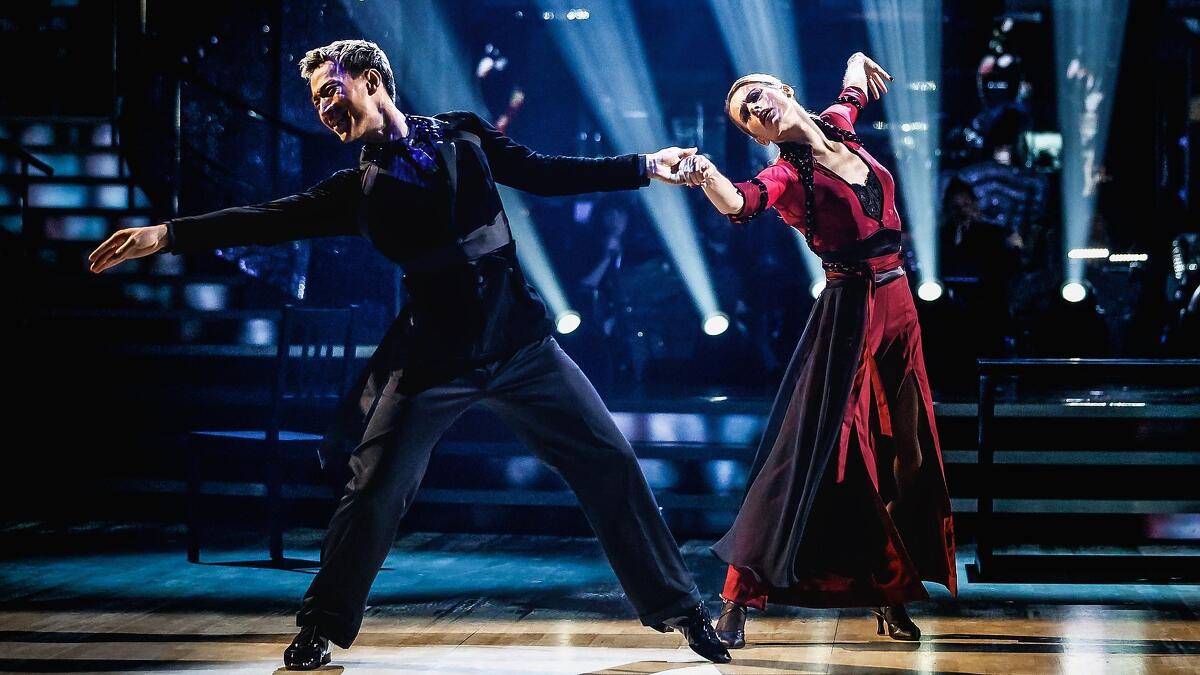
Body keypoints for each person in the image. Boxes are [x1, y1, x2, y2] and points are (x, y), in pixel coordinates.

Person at [87, 39, 729, 669]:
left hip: (520, 344)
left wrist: (645, 164)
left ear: (370, 80)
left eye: (329, 91)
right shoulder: (355, 190)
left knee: (611, 463)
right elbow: (268, 218)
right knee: (374, 486)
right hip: (432, 359)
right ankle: (321, 625)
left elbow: (544, 172)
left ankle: (681, 609)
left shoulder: (464, 132)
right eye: (315, 101)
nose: (322, 109)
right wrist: (167, 234)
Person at [674, 52, 957, 647]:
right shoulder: (785, 177)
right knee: (809, 455)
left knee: (908, 456)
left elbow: (852, 92)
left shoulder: (838, 125)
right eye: (746, 116)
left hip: (900, 305)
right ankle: (737, 598)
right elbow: (740, 203)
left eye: (757, 95)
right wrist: (705, 175)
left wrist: (854, 61)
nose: (755, 110)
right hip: (849, 311)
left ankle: (889, 590)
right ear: (758, 136)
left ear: (784, 88)